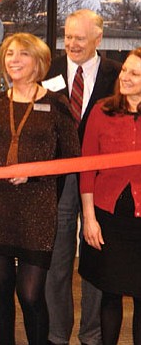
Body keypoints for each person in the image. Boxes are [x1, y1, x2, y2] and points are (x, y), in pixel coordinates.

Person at [0, 33, 80, 345]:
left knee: (30, 292)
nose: (14, 60)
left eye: (22, 54)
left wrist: (33, 176)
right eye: (10, 54)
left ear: (39, 62)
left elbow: (71, 159)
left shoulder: (56, 104)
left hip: (37, 207)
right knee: (0, 285)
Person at [42, 9, 121, 345]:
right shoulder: (49, 70)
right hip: (57, 181)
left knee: (94, 264)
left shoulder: (117, 76)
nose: (71, 44)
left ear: (98, 39)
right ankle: (57, 334)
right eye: (68, 36)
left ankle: (92, 334)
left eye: (79, 38)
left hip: (101, 182)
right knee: (56, 264)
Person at [79, 48, 141, 345]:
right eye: (125, 70)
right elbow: (86, 169)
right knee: (110, 292)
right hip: (108, 216)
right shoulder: (102, 111)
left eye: (135, 73)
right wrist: (88, 219)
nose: (125, 77)